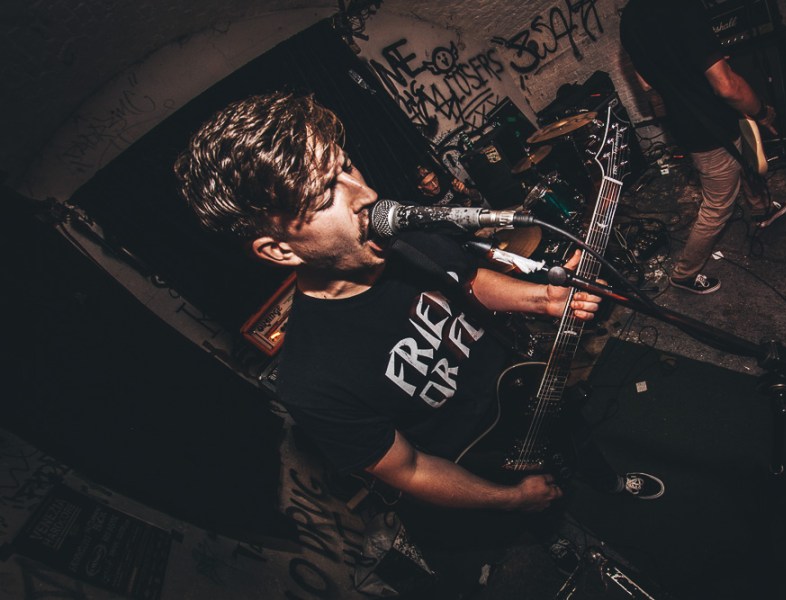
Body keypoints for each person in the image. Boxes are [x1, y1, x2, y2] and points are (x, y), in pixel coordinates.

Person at [174, 91, 663, 586]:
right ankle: (554, 535)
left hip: (528, 386)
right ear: (280, 250)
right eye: (324, 196)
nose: (365, 194)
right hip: (485, 459)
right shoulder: (310, 380)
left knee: (577, 437)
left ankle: (609, 482)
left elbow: (466, 280)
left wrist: (543, 299)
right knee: (541, 508)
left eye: (346, 166)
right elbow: (408, 468)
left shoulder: (407, 239)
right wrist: (511, 499)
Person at [620, 0, 786, 295]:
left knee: (745, 159)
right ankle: (684, 275)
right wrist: (762, 112)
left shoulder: (629, 18)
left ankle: (761, 209)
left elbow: (646, 85)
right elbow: (726, 86)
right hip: (711, 124)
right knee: (717, 206)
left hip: (686, 122)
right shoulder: (682, 7)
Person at [413, 163, 483, 207]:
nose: (435, 185)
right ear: (420, 187)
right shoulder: (423, 203)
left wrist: (466, 191)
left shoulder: (446, 180)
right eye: (428, 184)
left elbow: (479, 197)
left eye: (434, 179)